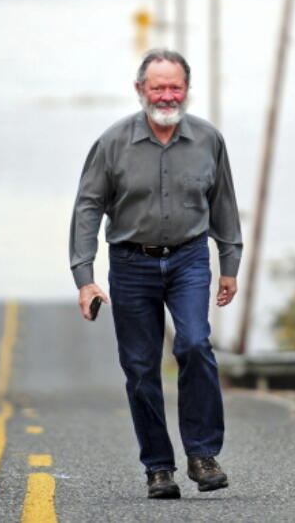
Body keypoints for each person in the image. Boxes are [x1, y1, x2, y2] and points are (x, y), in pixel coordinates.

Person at [70, 48, 243, 500]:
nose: (167, 95)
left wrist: (230, 265)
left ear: (187, 89)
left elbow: (223, 203)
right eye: (158, 87)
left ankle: (203, 455)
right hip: (130, 264)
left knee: (194, 344)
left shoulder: (208, 139)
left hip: (189, 258)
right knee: (141, 368)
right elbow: (88, 206)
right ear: (140, 90)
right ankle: (159, 468)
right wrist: (84, 275)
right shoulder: (113, 143)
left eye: (175, 87)